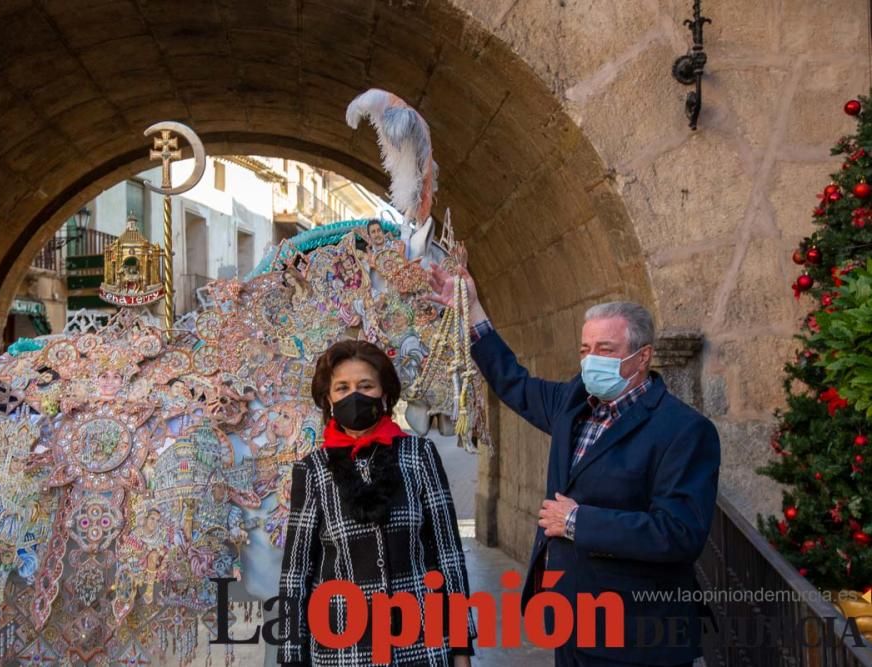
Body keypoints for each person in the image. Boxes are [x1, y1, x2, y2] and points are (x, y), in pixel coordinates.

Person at [427, 264, 720, 667]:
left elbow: (680, 532)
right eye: (585, 350)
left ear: (643, 357)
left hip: (638, 635)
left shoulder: (684, 430)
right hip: (571, 621)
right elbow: (514, 383)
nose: (591, 361)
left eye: (606, 350)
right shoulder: (574, 402)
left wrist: (577, 522)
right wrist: (472, 309)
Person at [278, 339, 475, 666]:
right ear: (329, 399)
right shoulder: (313, 470)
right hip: (343, 648)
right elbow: (296, 572)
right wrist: (291, 656)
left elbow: (447, 554)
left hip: (420, 644)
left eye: (365, 385)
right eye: (342, 387)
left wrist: (461, 647)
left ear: (384, 394)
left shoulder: (419, 456)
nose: (353, 395)